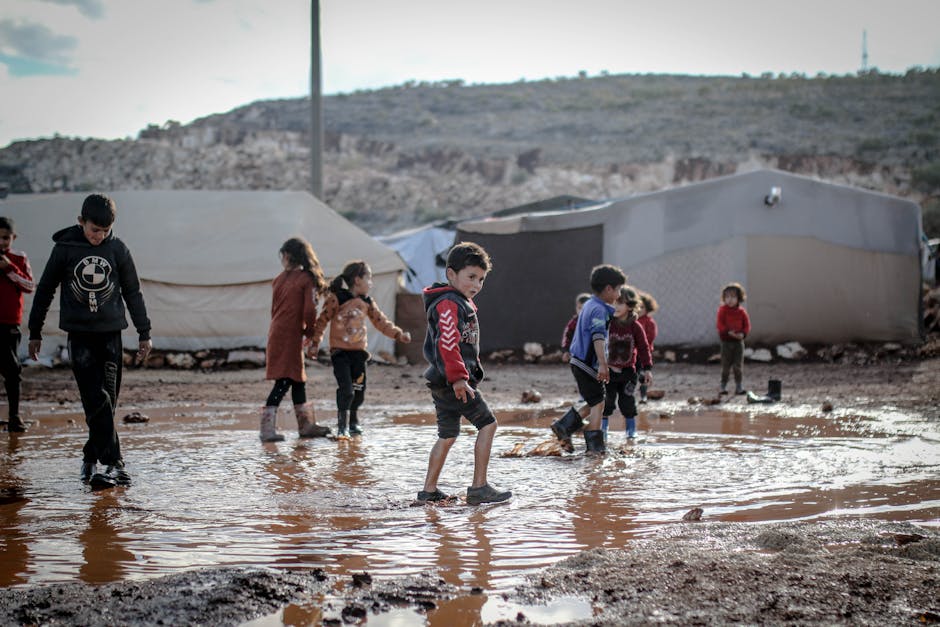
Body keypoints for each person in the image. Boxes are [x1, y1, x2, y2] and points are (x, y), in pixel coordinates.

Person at [27, 193, 152, 486]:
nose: (100, 236)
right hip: (80, 336)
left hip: (111, 335)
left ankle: (89, 458)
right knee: (95, 399)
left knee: (107, 401)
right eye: (95, 230)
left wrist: (144, 332)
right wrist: (35, 332)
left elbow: (133, 292)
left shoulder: (118, 249)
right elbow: (44, 290)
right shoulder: (64, 249)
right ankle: (115, 464)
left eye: (105, 231)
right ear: (81, 221)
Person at [417, 242, 511, 505]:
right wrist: (459, 378)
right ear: (451, 274)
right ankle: (479, 487)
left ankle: (428, 492)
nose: (477, 285)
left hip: (444, 380)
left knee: (447, 435)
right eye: (471, 277)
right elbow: (448, 343)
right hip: (453, 382)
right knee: (488, 424)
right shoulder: (448, 303)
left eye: (481, 279)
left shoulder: (458, 302)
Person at [311, 260, 411, 437]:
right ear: (357, 280)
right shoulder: (336, 299)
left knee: (359, 391)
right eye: (369, 278)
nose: (371, 283)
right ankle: (342, 426)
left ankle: (353, 422)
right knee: (346, 390)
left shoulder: (367, 302)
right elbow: (322, 320)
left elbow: (381, 322)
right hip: (340, 353)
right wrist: (315, 342)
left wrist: (398, 334)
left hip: (359, 355)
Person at [260, 237, 331, 442]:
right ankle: (267, 430)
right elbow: (310, 310)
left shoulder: (279, 279)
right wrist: (310, 333)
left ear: (287, 256)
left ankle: (306, 426)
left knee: (297, 379)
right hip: (290, 334)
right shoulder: (306, 279)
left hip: (277, 331)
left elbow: (274, 310)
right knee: (284, 380)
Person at [552, 263, 627, 455]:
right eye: (618, 290)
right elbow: (598, 337)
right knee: (598, 403)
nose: (618, 295)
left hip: (579, 361)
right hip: (587, 364)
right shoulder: (599, 310)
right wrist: (603, 364)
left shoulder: (590, 304)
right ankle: (595, 447)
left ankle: (564, 425)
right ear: (609, 288)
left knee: (594, 399)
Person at [602, 286, 652, 441]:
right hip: (608, 371)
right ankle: (603, 430)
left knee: (627, 402)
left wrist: (647, 368)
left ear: (630, 306)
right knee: (606, 401)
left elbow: (644, 348)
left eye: (620, 304)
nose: (615, 307)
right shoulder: (607, 323)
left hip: (628, 373)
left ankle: (631, 430)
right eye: (613, 304)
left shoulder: (635, 326)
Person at [0, 217, 35, 433]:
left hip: (10, 324)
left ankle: (14, 415)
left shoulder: (19, 258)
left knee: (12, 372)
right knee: (12, 369)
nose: (1, 242)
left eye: (5, 238)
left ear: (13, 238)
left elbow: (29, 285)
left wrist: (9, 268)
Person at [716, 282, 750, 395]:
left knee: (737, 366)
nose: (730, 300)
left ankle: (739, 386)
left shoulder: (741, 312)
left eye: (733, 297)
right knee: (726, 366)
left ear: (739, 298)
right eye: (727, 297)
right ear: (724, 298)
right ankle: (723, 386)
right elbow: (719, 324)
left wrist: (743, 334)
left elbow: (747, 325)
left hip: (738, 343)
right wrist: (727, 331)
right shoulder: (722, 310)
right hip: (726, 342)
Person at [636, 290, 659, 403]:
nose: (639, 310)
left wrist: (640, 342)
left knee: (643, 375)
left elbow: (651, 337)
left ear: (647, 308)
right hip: (632, 353)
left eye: (642, 307)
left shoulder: (649, 322)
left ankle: (643, 396)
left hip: (644, 353)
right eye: (638, 307)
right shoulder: (632, 321)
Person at [560, 293, 591, 363]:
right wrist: (566, 351)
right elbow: (567, 336)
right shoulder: (573, 323)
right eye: (580, 308)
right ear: (576, 308)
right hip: (577, 354)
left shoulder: (595, 322)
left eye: (585, 308)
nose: (582, 311)